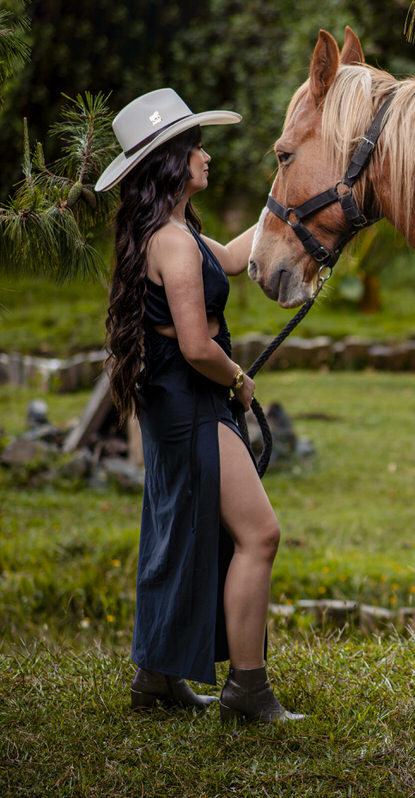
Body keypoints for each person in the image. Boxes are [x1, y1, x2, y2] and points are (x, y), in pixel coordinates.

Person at [98, 88, 301, 724]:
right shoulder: (175, 244)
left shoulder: (175, 231)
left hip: (179, 401)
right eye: (196, 149)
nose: (206, 157)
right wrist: (239, 376)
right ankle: (247, 691)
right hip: (190, 400)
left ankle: (157, 679)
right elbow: (194, 344)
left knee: (180, 529)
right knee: (260, 534)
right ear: (172, 163)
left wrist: (288, 198)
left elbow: (238, 260)